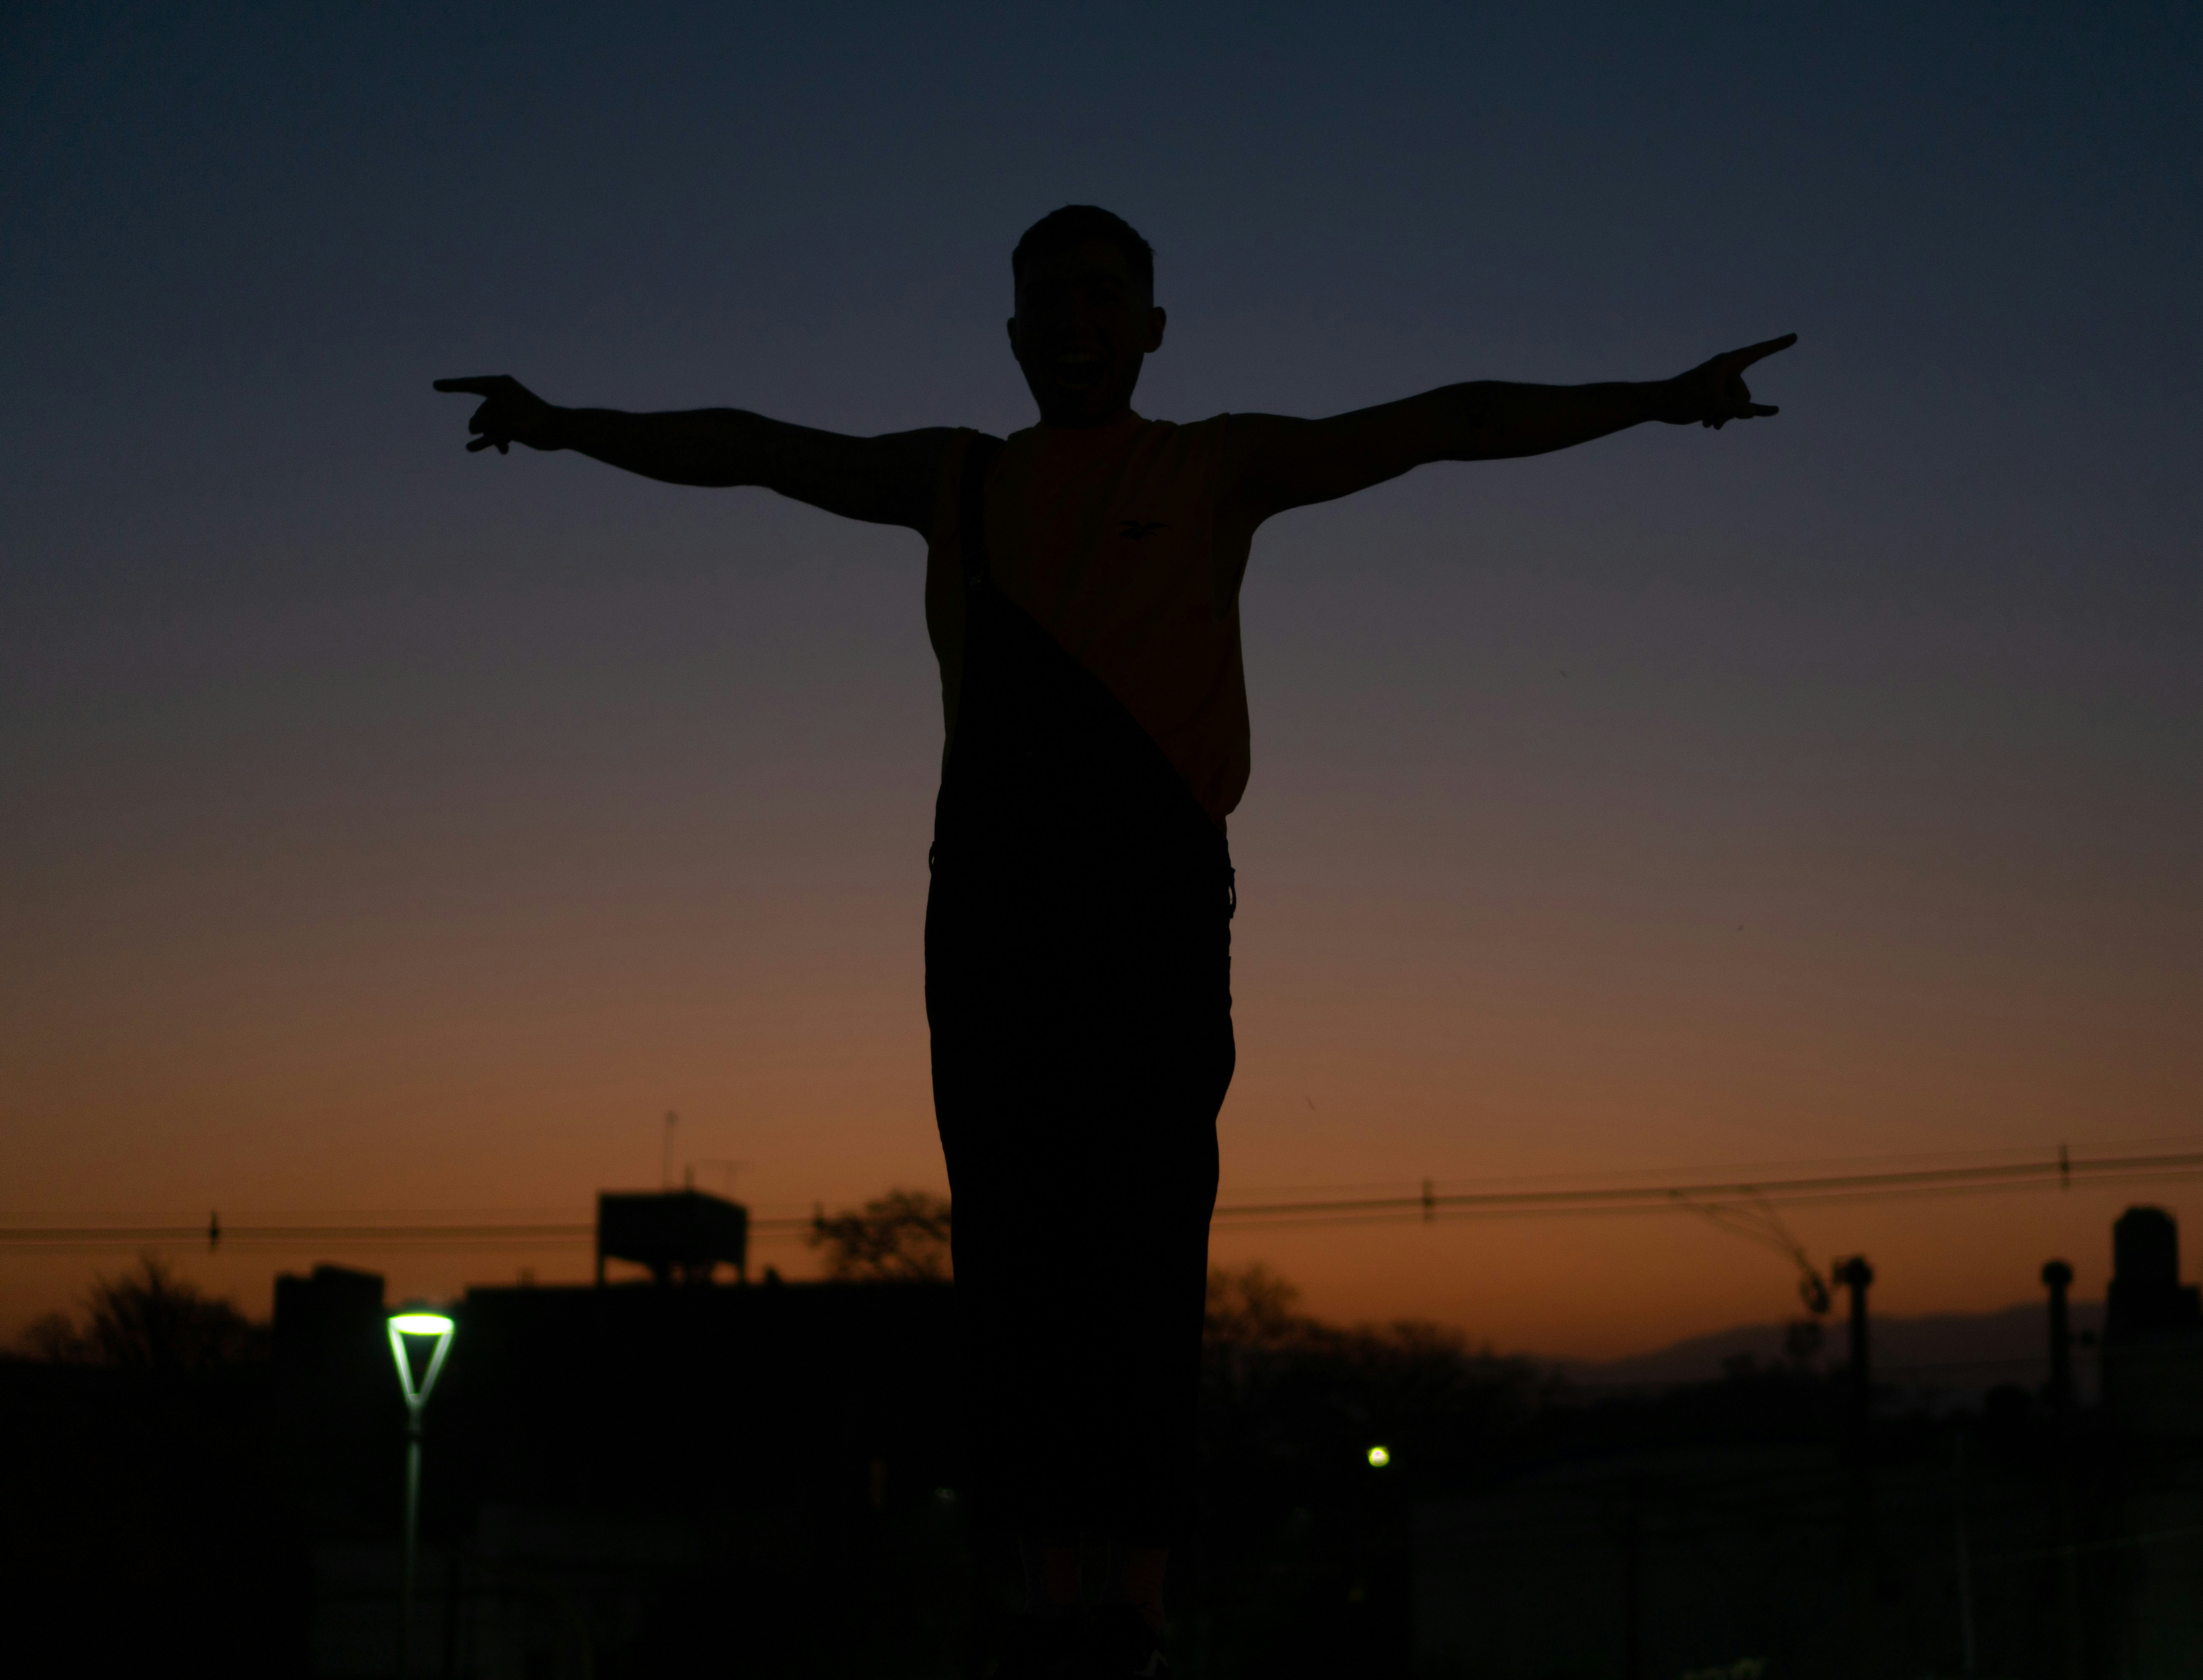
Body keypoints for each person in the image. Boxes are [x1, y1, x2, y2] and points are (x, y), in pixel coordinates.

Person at [437, 203, 1791, 1679]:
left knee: (1143, 1234)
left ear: (1152, 328)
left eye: (1105, 297)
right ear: (1014, 336)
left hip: (1151, 885)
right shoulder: (953, 477)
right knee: (1014, 1242)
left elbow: (1444, 422)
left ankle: (1131, 1595)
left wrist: (1657, 398)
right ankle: (1037, 1587)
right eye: (1047, 301)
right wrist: (564, 425)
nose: (1076, 322)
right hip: (994, 890)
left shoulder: (1212, 468)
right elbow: (757, 447)